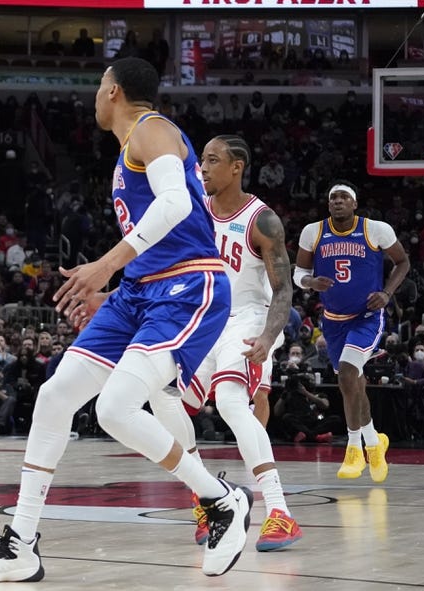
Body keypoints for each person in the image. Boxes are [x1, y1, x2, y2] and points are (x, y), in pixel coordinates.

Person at [0, 57, 249, 582]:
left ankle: (220, 499)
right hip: (139, 292)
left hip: (188, 287)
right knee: (56, 395)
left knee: (114, 408)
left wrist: (104, 265)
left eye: (97, 86)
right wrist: (113, 285)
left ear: (112, 91)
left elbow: (177, 205)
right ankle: (20, 546)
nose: (94, 95)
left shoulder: (150, 129)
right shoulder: (131, 145)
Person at [180, 135, 301, 552]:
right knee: (167, 404)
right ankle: (208, 498)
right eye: (201, 160)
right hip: (205, 319)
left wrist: (269, 336)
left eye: (212, 160)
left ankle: (280, 513)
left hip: (249, 318)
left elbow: (283, 290)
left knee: (231, 402)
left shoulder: (261, 220)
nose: (203, 167)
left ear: (237, 167)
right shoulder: (195, 210)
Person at [294, 181, 409, 482]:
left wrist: (386, 293)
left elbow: (403, 262)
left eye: (344, 197)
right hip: (332, 320)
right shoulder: (312, 231)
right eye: (333, 197)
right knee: (353, 384)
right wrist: (310, 283)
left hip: (366, 317)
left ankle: (354, 447)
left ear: (355, 204)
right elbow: (299, 273)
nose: (338, 201)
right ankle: (375, 441)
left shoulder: (376, 229)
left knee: (347, 373)